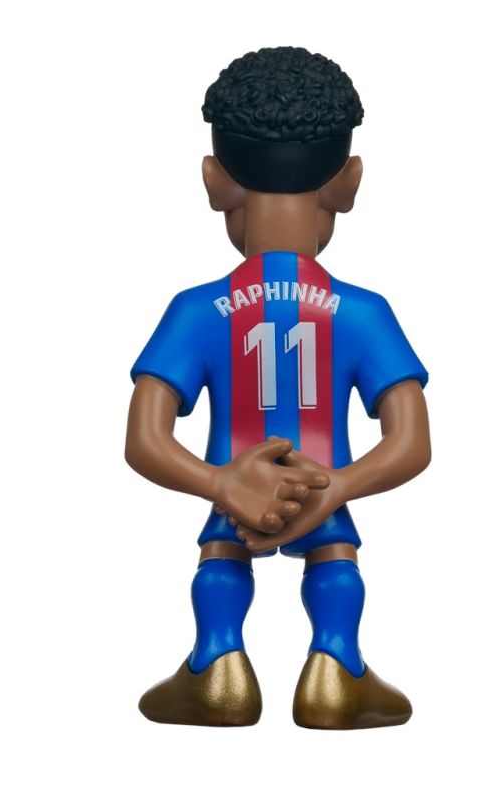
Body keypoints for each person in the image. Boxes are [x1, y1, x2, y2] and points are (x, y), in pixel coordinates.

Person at [125, 47, 431, 729]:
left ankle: (217, 666)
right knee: (335, 556)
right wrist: (338, 485)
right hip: (325, 487)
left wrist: (223, 483)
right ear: (348, 183)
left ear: (214, 182)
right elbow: (412, 442)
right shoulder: (365, 313)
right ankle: (337, 668)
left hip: (234, 489)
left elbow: (143, 440)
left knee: (221, 554)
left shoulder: (194, 311)